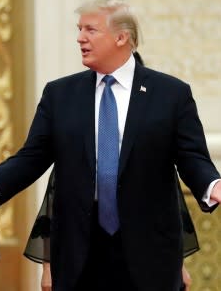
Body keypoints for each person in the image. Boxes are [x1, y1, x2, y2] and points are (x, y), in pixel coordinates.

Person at [0, 0, 221, 291]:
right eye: (79, 30)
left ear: (122, 37)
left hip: (150, 251)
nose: (80, 38)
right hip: (78, 250)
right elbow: (31, 157)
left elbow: (191, 157)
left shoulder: (170, 94)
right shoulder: (60, 95)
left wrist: (212, 185)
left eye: (90, 30)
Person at [24, 52, 199, 291]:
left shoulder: (163, 110)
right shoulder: (67, 108)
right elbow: (56, 202)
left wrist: (179, 266)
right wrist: (48, 266)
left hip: (145, 257)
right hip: (84, 252)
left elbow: (170, 205)